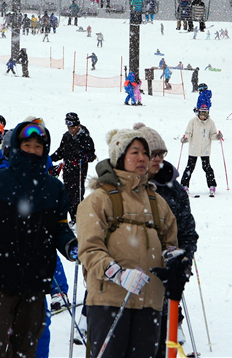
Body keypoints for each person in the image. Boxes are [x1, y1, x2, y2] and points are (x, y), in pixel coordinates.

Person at [0, 119, 79, 358]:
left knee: (27, 348)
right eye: (27, 145)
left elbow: (59, 227)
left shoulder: (53, 188)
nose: (33, 151)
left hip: (35, 281)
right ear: (17, 147)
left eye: (38, 147)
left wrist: (70, 245)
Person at [77, 127, 180, 358]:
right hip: (109, 301)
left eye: (145, 152)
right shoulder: (99, 199)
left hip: (150, 302)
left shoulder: (157, 202)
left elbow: (170, 245)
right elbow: (89, 248)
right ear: (120, 157)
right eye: (135, 152)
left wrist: (175, 264)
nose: (143, 158)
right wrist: (118, 274)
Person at [135, 122, 198, 356]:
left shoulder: (174, 191)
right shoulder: (124, 188)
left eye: (161, 154)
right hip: (130, 281)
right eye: (153, 154)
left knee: (158, 344)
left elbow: (187, 232)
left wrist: (184, 262)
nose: (157, 159)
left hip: (163, 281)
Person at [50, 112, 96, 223]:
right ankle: (74, 219)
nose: (71, 130)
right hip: (67, 170)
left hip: (79, 171)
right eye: (69, 127)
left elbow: (92, 155)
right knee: (67, 196)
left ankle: (80, 219)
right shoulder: (66, 136)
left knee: (77, 196)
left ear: (78, 125)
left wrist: (84, 157)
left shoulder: (85, 137)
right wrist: (49, 159)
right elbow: (60, 152)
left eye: (73, 128)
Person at [180, 103, 220, 196]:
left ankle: (212, 186)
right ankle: (184, 185)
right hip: (194, 148)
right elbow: (188, 133)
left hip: (205, 148)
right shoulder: (193, 121)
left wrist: (217, 136)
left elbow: (212, 135)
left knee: (207, 167)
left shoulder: (211, 122)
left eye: (205, 114)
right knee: (190, 167)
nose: (203, 116)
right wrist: (186, 138)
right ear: (198, 112)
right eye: (202, 113)